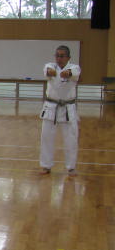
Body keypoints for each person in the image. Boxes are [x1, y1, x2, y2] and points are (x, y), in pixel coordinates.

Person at [39, 45, 81, 177]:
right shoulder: (50, 66)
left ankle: (71, 167)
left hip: (68, 108)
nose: (59, 58)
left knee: (71, 139)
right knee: (46, 137)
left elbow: (70, 73)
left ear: (68, 57)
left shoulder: (74, 68)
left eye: (62, 56)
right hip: (51, 107)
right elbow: (48, 71)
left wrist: (66, 73)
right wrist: (53, 71)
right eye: (57, 55)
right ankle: (46, 165)